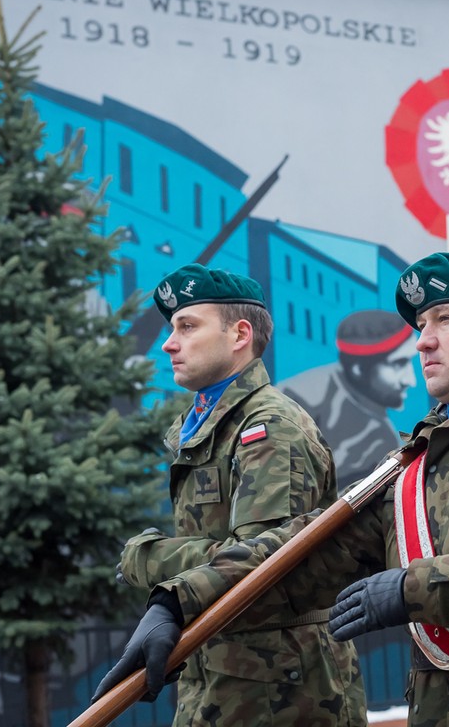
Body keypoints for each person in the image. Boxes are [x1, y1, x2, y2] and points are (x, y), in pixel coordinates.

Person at [93, 252, 449, 727]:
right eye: (421, 326)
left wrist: (414, 588)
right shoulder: (428, 457)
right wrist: (181, 601)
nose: (423, 342)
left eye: (445, 319)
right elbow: (307, 550)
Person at [107, 263, 365, 726]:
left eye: (188, 326)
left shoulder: (268, 428)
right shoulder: (214, 425)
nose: (169, 342)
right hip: (227, 677)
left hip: (281, 691)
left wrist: (148, 559)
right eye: (172, 328)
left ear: (239, 334)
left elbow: (268, 565)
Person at [279, 309, 416, 488]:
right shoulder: (296, 403)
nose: (411, 380)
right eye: (399, 364)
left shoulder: (383, 435)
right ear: (358, 369)